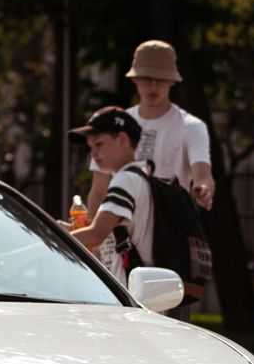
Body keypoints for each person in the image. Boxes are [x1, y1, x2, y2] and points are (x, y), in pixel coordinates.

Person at [84, 41, 215, 218]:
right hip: (121, 230)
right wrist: (92, 239)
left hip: (169, 229)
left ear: (171, 81)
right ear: (135, 79)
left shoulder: (191, 127)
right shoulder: (115, 123)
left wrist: (203, 189)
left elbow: (203, 175)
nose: (153, 86)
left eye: (160, 79)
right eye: (147, 78)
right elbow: (98, 191)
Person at [68, 108, 153, 278]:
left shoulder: (125, 179)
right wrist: (72, 229)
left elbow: (96, 234)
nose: (93, 154)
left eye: (98, 144)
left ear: (122, 139)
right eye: (90, 146)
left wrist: (48, 240)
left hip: (131, 291)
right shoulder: (142, 176)